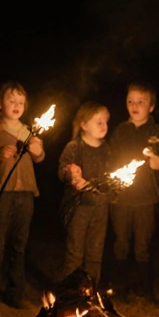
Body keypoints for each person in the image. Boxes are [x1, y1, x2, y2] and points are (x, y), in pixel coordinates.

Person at [0, 82, 45, 311]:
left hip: (25, 194)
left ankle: (15, 294)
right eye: (11, 101)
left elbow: (39, 157)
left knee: (19, 246)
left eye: (21, 102)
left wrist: (38, 151)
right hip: (0, 193)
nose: (17, 105)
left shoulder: (29, 132)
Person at [107, 82, 159, 299]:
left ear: (151, 106)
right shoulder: (120, 131)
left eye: (141, 102)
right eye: (130, 101)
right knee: (120, 243)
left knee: (142, 246)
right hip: (121, 198)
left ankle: (145, 289)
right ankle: (120, 288)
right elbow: (108, 159)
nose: (134, 106)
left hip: (147, 198)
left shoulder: (157, 131)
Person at [58, 102, 111, 286]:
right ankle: (70, 294)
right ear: (84, 125)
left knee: (95, 254)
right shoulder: (74, 147)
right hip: (78, 207)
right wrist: (71, 174)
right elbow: (63, 169)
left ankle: (90, 293)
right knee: (75, 253)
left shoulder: (107, 149)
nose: (104, 125)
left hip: (100, 207)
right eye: (98, 121)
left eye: (106, 121)